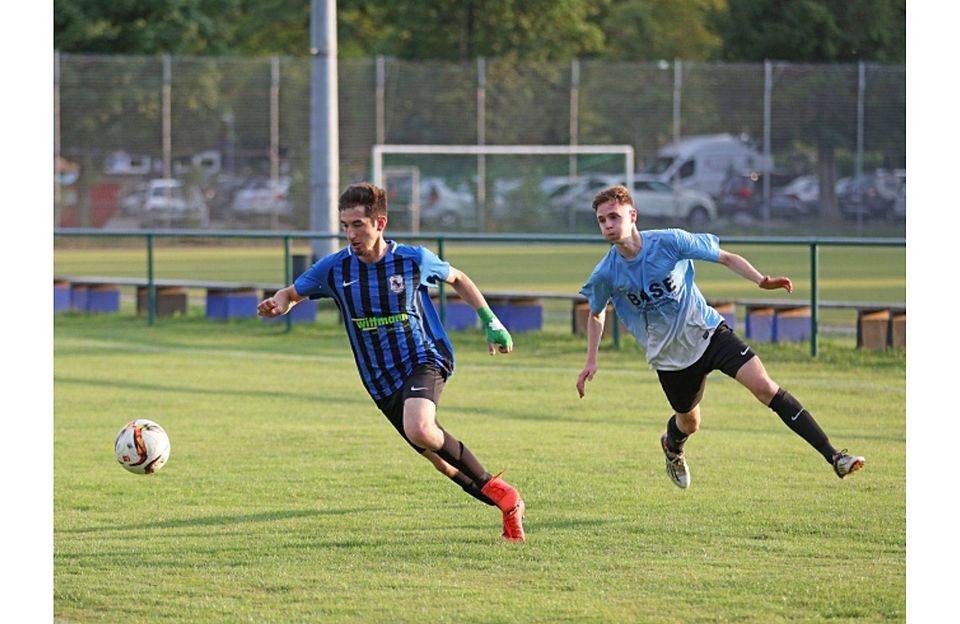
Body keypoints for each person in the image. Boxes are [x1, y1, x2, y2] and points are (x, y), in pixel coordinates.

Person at [258, 182, 525, 541]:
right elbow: (291, 293)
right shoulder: (334, 269)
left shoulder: (412, 259)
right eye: (345, 226)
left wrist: (492, 322)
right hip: (379, 379)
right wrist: (278, 304)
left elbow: (458, 278)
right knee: (438, 459)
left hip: (424, 356)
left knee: (420, 429)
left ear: (379, 223)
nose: (350, 234)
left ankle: (503, 492)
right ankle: (508, 508)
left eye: (357, 225)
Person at [575, 185, 864, 489]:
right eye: (602, 220)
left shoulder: (670, 241)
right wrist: (591, 360)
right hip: (670, 358)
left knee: (765, 387)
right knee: (690, 423)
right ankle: (672, 446)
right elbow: (596, 312)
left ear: (632, 215)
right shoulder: (606, 273)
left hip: (710, 332)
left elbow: (725, 257)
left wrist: (761, 280)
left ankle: (834, 457)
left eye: (614, 217)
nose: (608, 225)